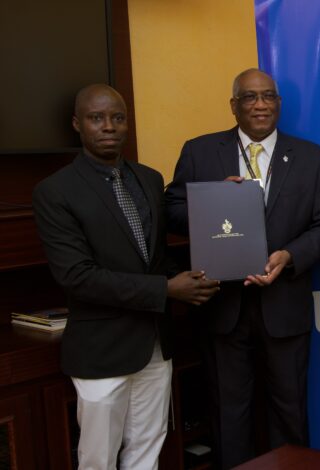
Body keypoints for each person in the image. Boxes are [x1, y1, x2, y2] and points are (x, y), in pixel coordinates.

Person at [32, 84, 220, 469]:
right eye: (96, 118)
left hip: (154, 344)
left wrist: (223, 202)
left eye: (117, 118)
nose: (108, 127)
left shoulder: (149, 179)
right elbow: (77, 276)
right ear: (77, 124)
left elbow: (155, 256)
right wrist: (168, 289)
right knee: (98, 459)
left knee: (147, 451)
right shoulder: (55, 191)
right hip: (102, 351)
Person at [165, 68, 320, 468]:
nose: (260, 104)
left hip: (285, 302)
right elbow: (170, 210)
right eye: (250, 97)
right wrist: (212, 201)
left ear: (278, 103)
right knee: (229, 413)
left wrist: (288, 256)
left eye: (269, 96)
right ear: (234, 105)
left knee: (290, 411)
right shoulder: (200, 151)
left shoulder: (311, 157)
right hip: (222, 306)